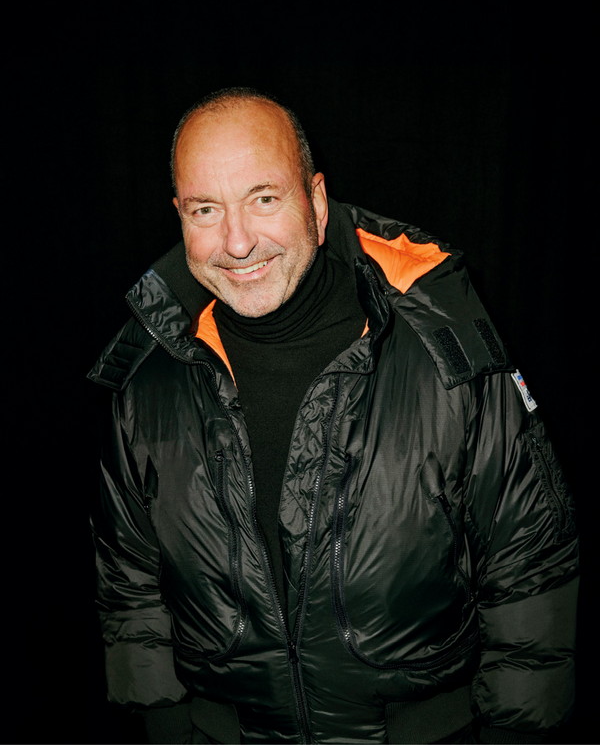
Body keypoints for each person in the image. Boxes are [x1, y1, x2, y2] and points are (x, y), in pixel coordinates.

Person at [88, 87, 578, 744]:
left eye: (264, 199)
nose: (237, 242)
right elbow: (128, 576)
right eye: (206, 209)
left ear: (317, 204)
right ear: (179, 215)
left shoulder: (447, 352)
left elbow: (530, 566)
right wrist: (167, 725)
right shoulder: (148, 379)